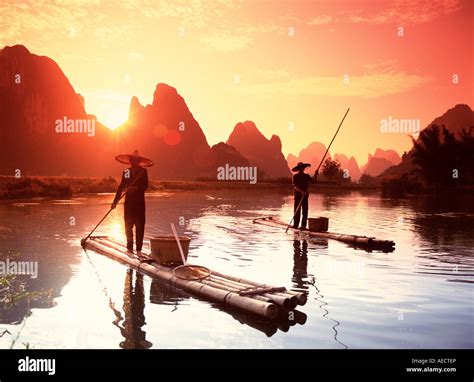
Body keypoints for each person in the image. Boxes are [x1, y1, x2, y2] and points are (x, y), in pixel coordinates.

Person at [111, 150, 153, 253]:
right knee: (128, 225)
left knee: (140, 226)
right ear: (130, 161)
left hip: (139, 203)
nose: (133, 162)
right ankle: (129, 248)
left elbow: (145, 185)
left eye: (135, 160)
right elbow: (122, 186)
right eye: (132, 160)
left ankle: (139, 249)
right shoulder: (127, 172)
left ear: (138, 161)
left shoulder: (143, 172)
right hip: (129, 203)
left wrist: (137, 188)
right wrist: (115, 201)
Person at [291, 162, 318, 230]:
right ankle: (295, 225)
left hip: (305, 196)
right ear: (298, 169)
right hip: (298, 196)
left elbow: (313, 181)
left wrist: (316, 174)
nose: (301, 169)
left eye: (302, 168)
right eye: (300, 168)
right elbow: (295, 186)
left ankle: (303, 225)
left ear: (303, 168)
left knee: (305, 211)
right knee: (297, 211)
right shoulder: (295, 176)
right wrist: (301, 191)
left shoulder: (306, 176)